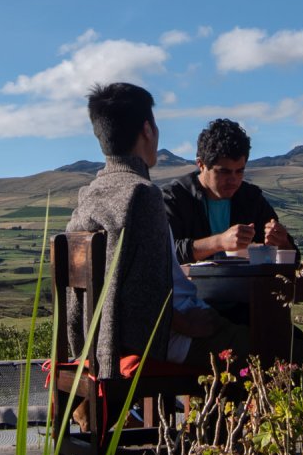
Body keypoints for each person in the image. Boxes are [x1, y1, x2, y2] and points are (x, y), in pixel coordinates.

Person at [63, 83, 255, 378]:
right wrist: (185, 324)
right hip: (163, 341)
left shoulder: (90, 193)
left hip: (100, 343)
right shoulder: (141, 195)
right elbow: (145, 291)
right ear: (148, 130)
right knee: (280, 351)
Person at [159, 118, 294, 263]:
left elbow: (292, 256)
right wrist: (219, 242)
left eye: (239, 171)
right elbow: (164, 252)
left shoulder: (251, 198)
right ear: (201, 164)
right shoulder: (174, 198)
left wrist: (281, 243)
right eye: (224, 172)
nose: (233, 180)